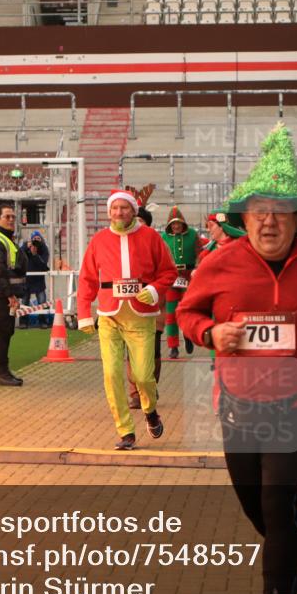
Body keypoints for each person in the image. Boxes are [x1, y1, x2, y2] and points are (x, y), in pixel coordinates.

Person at [177, 123, 297, 594]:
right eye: (259, 211)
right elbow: (187, 312)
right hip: (238, 401)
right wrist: (212, 333)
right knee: (254, 503)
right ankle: (295, 547)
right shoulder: (218, 263)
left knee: (278, 503)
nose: (269, 221)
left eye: (281, 211)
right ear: (244, 219)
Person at [78, 190, 177, 450]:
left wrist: (155, 289)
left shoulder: (151, 237)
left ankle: (150, 410)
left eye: (124, 208)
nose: (119, 213)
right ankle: (126, 432)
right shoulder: (99, 240)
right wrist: (83, 314)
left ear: (134, 210)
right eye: (114, 208)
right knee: (111, 375)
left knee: (144, 376)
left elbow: (168, 271)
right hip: (109, 317)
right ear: (108, 212)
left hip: (141, 317)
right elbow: (87, 278)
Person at [126, 204, 165, 410]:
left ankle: (150, 386)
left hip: (152, 308)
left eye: (141, 221)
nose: (136, 225)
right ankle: (135, 393)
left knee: (153, 351)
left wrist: (153, 291)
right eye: (135, 220)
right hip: (126, 311)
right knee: (131, 352)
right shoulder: (121, 244)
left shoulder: (156, 243)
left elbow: (167, 273)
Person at [0, 202, 28, 386]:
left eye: (13, 217)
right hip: (3, 295)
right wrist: (10, 295)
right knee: (3, 332)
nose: (11, 220)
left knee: (7, 331)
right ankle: (1, 373)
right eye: (7, 217)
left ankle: (4, 371)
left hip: (7, 295)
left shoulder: (7, 240)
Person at [160, 206, 203, 359]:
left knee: (187, 309)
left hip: (188, 277)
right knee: (171, 313)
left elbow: (200, 253)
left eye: (178, 223)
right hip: (172, 278)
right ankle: (173, 346)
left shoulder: (192, 235)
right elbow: (160, 257)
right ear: (169, 225)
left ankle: (188, 335)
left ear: (183, 223)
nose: (176, 226)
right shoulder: (164, 238)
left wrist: (198, 267)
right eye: (173, 224)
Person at [19, 230, 52, 329]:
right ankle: (23, 322)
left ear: (41, 239)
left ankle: (43, 321)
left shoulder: (44, 249)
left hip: (38, 280)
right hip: (26, 280)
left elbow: (43, 265)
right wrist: (26, 246)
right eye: (34, 239)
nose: (36, 242)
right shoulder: (26, 247)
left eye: (38, 239)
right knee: (24, 302)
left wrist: (35, 255)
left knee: (42, 301)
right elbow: (19, 255)